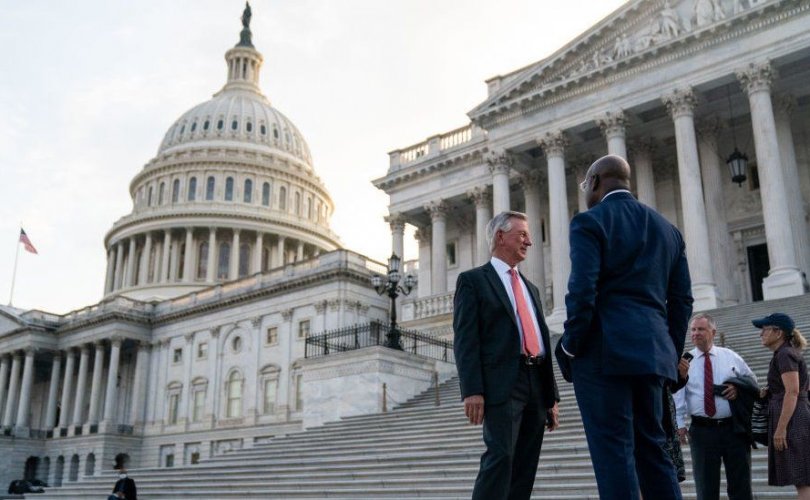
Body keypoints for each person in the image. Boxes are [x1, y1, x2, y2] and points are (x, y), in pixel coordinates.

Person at [556, 154, 693, 500]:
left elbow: (582, 292)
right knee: (654, 451)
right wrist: (670, 352)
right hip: (653, 356)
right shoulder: (669, 231)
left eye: (587, 185)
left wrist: (570, 345)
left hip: (603, 355)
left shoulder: (589, 223)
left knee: (613, 455)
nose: (586, 192)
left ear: (598, 181)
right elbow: (682, 301)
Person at [453, 210, 560, 500]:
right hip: (502, 384)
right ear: (501, 236)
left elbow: (541, 340)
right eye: (522, 234)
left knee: (525, 466)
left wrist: (550, 397)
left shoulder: (531, 288)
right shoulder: (473, 281)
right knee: (500, 459)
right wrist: (472, 390)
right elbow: (465, 339)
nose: (529, 241)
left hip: (535, 383)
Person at [674, 313, 757, 500]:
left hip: (734, 429)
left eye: (700, 329)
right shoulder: (685, 361)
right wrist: (679, 424)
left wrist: (737, 388)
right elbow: (678, 393)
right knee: (706, 487)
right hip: (702, 432)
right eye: (693, 330)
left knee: (741, 486)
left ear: (713, 332)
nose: (695, 333)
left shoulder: (730, 356)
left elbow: (752, 381)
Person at [754, 312, 810, 499]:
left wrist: (781, 429)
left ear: (778, 333)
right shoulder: (784, 353)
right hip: (796, 416)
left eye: (764, 329)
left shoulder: (785, 354)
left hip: (794, 420)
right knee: (802, 478)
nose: (761, 334)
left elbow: (792, 391)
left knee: (803, 479)